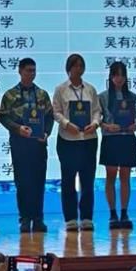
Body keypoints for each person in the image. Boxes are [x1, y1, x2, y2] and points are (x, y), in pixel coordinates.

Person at [0, 57, 54, 232]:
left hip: (38, 144)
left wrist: (46, 132)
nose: (32, 74)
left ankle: (38, 218)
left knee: (38, 182)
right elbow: (3, 117)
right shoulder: (10, 95)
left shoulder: (42, 94)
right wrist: (17, 128)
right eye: (28, 70)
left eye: (34, 70)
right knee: (22, 182)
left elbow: (50, 116)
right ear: (20, 71)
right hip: (20, 144)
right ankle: (24, 218)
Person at [52, 53, 102, 230]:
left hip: (88, 139)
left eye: (81, 66)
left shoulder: (90, 89)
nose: (78, 69)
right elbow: (56, 112)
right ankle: (71, 218)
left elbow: (97, 111)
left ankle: (87, 217)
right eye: (75, 66)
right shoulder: (60, 89)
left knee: (87, 180)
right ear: (68, 68)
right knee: (68, 180)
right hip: (68, 139)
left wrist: (95, 124)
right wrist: (67, 124)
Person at [99, 60, 136, 230]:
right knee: (110, 176)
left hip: (127, 138)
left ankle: (124, 212)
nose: (119, 78)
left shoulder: (132, 97)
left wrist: (135, 125)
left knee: (125, 177)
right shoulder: (103, 97)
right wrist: (107, 126)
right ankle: (112, 213)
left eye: (122, 75)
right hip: (111, 139)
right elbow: (97, 120)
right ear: (111, 77)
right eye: (116, 75)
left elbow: (135, 118)